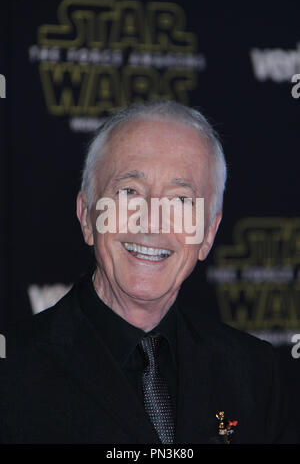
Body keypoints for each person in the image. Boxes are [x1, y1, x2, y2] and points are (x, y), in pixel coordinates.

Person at [0, 100, 296, 444]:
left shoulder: (255, 374)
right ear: (86, 216)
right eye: (129, 192)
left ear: (208, 235)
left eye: (181, 200)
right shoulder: (12, 372)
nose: (153, 220)